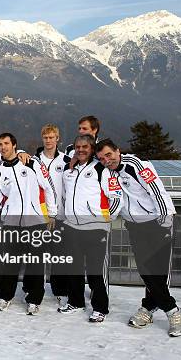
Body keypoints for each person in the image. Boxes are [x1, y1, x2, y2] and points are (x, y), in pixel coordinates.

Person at [96, 139, 181, 337]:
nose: (106, 160)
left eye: (109, 155)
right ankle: (153, 307)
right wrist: (105, 219)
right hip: (135, 226)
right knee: (147, 271)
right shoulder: (108, 174)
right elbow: (117, 199)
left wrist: (164, 219)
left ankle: (171, 312)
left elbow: (157, 191)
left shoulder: (137, 165)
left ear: (117, 151)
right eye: (102, 158)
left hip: (157, 222)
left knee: (156, 272)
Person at [0, 133, 57, 315]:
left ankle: (34, 299)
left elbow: (49, 187)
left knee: (35, 263)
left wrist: (51, 214)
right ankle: (6, 296)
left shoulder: (32, 163)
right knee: (10, 263)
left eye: (6, 143)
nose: (3, 147)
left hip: (35, 222)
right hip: (11, 224)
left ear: (14, 145)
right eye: (0, 144)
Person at [58, 135, 122, 323]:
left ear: (92, 148)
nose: (81, 150)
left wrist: (103, 220)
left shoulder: (101, 169)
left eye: (85, 146)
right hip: (72, 227)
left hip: (95, 229)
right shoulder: (69, 170)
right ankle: (76, 302)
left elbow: (116, 197)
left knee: (95, 271)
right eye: (78, 147)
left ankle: (100, 307)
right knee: (73, 268)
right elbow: (64, 197)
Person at [34, 124, 72, 306]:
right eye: (45, 138)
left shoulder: (66, 161)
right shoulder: (34, 161)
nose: (48, 141)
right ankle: (36, 289)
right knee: (38, 254)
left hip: (60, 215)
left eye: (52, 137)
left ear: (58, 139)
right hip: (39, 215)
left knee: (58, 254)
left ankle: (59, 289)